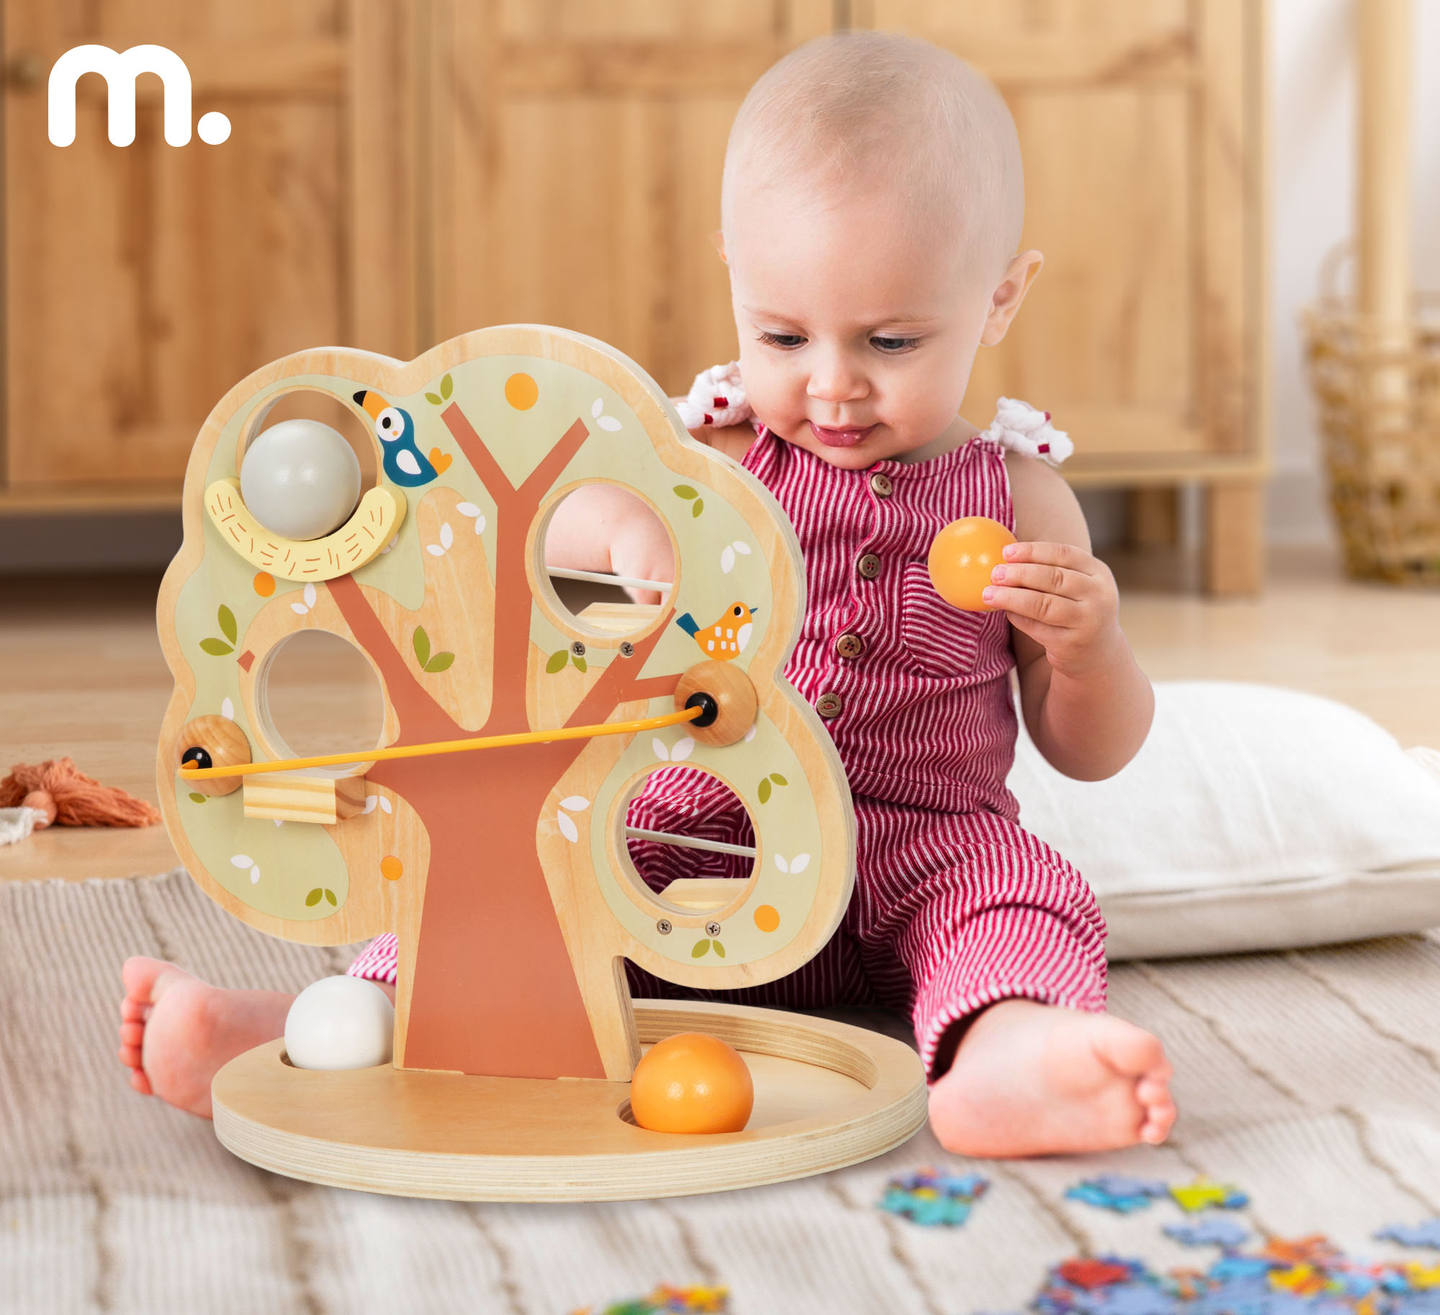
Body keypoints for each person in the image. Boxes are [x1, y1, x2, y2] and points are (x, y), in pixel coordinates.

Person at [120, 30, 1174, 1157]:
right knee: (505, 880)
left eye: (893, 339)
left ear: (1001, 299)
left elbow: (1090, 751)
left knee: (1025, 890)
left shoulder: (1022, 497)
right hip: (674, 844)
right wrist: (617, 530)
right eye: (782, 333)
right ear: (732, 275)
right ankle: (324, 1031)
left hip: (921, 855)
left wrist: (1090, 650)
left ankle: (1003, 1050)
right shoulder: (694, 453)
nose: (832, 383)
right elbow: (549, 542)